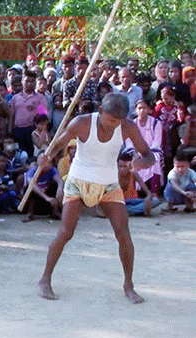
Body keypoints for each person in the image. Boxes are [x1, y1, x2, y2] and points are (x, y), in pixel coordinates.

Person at [36, 93, 155, 304]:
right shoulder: (81, 123)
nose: (113, 126)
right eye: (110, 120)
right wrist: (44, 156)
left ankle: (129, 285)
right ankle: (45, 279)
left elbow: (149, 155)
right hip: (78, 181)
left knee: (123, 233)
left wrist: (141, 163)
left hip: (109, 184)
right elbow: (57, 145)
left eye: (117, 122)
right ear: (100, 112)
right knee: (65, 232)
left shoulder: (128, 127)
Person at [21, 153, 63, 222]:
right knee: (29, 189)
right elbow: (32, 185)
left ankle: (54, 212)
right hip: (38, 195)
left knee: (55, 186)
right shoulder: (32, 171)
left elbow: (59, 180)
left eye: (48, 162)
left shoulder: (52, 170)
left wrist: (59, 189)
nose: (46, 164)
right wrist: (46, 198)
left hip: (47, 194)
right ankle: (30, 214)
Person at [118, 152, 159, 217]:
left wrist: (148, 198)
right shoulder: (115, 175)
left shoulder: (133, 174)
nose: (122, 169)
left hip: (133, 201)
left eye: (125, 166)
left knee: (155, 201)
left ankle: (134, 211)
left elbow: (148, 192)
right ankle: (137, 211)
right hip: (120, 203)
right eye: (120, 166)